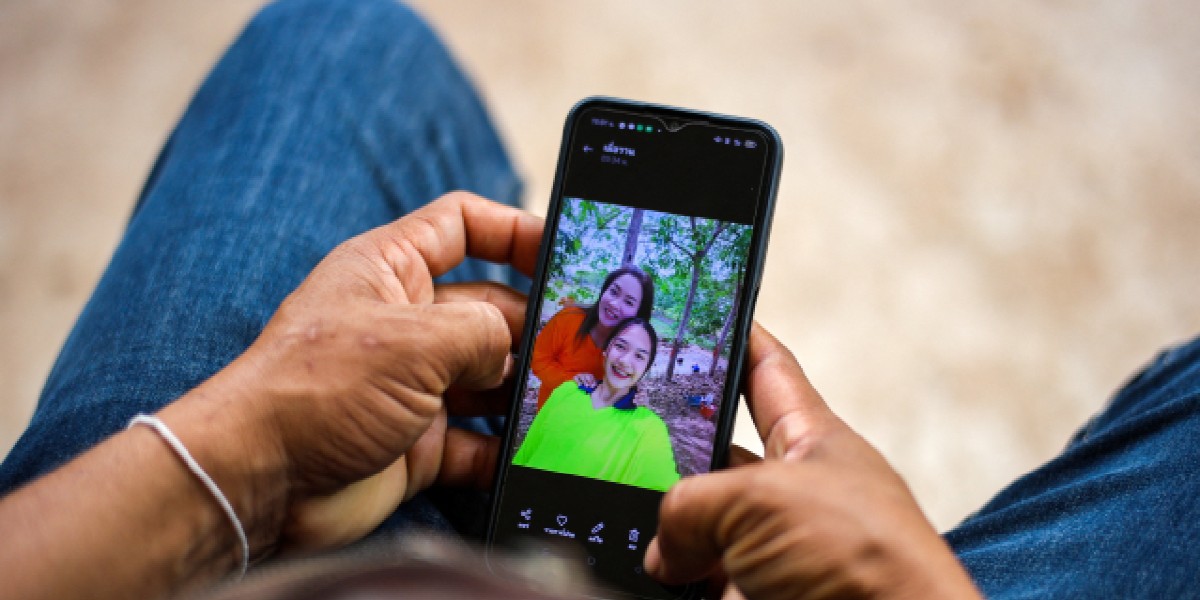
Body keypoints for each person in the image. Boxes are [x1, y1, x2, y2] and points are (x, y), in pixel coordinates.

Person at [2, 1, 1199, 599]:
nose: (621, 303)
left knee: (337, 34)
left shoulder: (643, 380)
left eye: (631, 297)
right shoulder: (569, 350)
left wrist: (244, 456)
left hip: (299, 543)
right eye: (616, 287)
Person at [515, 317, 680, 492]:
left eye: (639, 356)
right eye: (620, 346)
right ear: (606, 350)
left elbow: (661, 493)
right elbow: (526, 452)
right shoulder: (566, 391)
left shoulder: (649, 428)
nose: (625, 361)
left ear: (645, 370)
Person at [530, 266, 655, 410]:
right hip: (551, 414)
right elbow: (537, 360)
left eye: (629, 302)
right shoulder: (568, 318)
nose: (614, 304)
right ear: (604, 291)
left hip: (593, 426)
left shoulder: (632, 349)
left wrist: (636, 400)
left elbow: (624, 388)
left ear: (639, 313)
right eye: (614, 292)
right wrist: (574, 382)